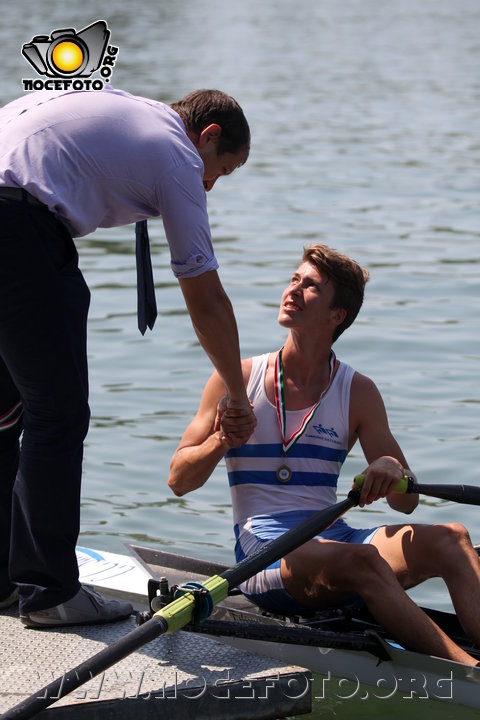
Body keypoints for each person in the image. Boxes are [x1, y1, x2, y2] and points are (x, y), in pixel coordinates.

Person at [0, 85, 256, 627]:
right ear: (208, 138)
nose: (209, 184)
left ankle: (6, 581)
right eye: (221, 172)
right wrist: (236, 394)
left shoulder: (124, 109)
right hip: (17, 228)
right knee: (57, 413)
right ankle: (48, 594)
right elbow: (206, 298)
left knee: (7, 413)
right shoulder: (177, 155)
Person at [168, 244, 480, 665]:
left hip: (335, 541)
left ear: (337, 316)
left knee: (453, 537)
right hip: (265, 554)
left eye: (310, 286)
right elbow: (179, 480)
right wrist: (220, 441)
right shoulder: (238, 378)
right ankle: (468, 670)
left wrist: (390, 470)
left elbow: (405, 501)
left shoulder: (358, 392)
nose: (293, 290)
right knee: (365, 562)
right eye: (294, 279)